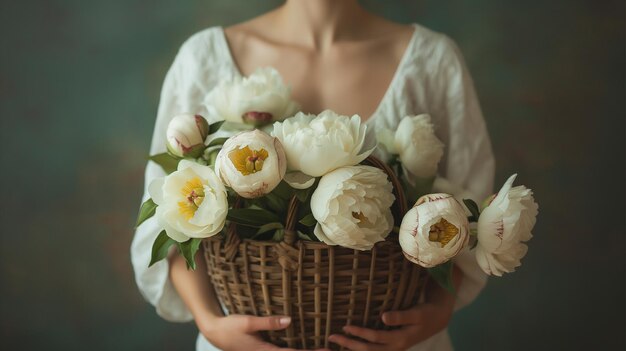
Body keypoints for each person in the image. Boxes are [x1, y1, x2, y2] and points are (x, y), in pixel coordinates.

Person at [131, 1, 495, 350]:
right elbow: (167, 221)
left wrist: (436, 313)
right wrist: (210, 323)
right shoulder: (204, 59)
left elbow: (471, 215)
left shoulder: (432, 61)